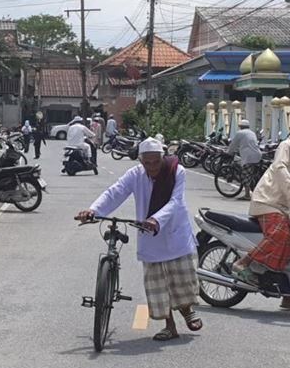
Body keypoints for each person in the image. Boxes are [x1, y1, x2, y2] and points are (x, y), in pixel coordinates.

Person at [76, 138, 203, 341]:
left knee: (180, 280)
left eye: (156, 162)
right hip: (149, 234)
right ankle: (170, 326)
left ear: (163, 158)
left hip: (173, 230)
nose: (152, 167)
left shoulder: (176, 171)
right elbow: (115, 192)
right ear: (141, 161)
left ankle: (187, 311)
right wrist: (93, 210)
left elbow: (176, 201)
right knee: (157, 284)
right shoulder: (135, 175)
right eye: (147, 163)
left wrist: (156, 218)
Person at [231, 114, 290, 311]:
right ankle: (243, 263)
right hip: (268, 200)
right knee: (281, 233)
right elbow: (280, 168)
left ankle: (286, 295)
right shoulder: (286, 146)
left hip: (286, 203)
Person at [227, 119, 262, 200]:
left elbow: (233, 144)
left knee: (245, 175)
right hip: (257, 154)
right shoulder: (252, 132)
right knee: (250, 173)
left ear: (240, 127)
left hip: (249, 157)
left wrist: (229, 152)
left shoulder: (240, 133)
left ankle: (247, 195)